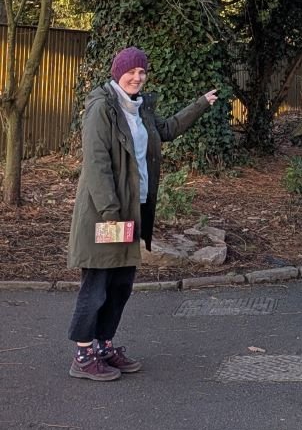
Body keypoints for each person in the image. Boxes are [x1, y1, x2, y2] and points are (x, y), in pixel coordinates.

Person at [67, 46, 218, 381]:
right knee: (97, 284)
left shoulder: (140, 109)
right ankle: (83, 355)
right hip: (105, 214)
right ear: (117, 72)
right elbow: (96, 164)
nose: (137, 77)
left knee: (121, 284)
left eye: (142, 72)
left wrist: (200, 104)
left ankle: (104, 346)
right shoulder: (102, 108)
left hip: (133, 210)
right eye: (131, 71)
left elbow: (167, 130)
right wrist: (111, 212)